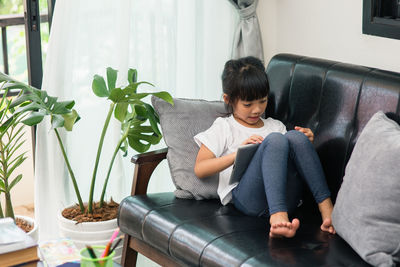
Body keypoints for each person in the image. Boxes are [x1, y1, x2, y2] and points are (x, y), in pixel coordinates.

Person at [193, 56, 335, 238]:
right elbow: (200, 169)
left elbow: (291, 163)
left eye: (262, 101)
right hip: (248, 198)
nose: (256, 110)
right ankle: (278, 218)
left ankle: (327, 210)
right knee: (275, 140)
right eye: (248, 104)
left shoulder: (275, 126)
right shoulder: (225, 127)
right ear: (228, 99)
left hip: (287, 197)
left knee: (295, 137)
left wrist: (306, 140)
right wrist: (237, 155)